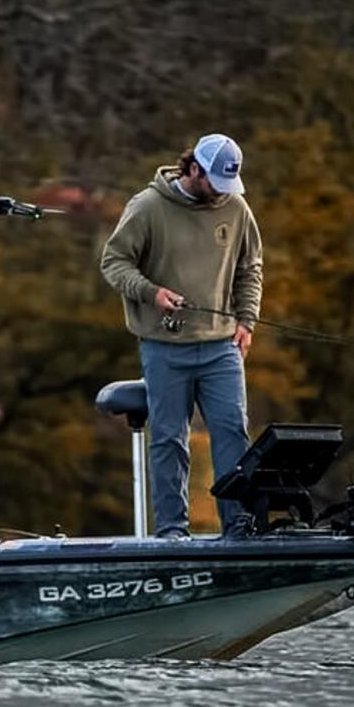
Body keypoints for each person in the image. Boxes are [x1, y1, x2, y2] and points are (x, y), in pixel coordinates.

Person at [98, 133, 263, 539]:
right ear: (193, 169)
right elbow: (114, 262)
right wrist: (152, 293)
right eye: (214, 183)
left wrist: (247, 320)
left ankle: (239, 526)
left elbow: (250, 268)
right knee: (170, 439)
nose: (219, 194)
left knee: (232, 434)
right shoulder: (148, 207)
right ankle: (172, 531)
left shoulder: (236, 208)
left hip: (221, 346)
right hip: (164, 346)